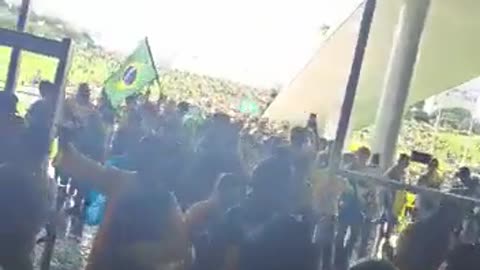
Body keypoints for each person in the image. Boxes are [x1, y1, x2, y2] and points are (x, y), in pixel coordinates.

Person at [54, 134, 190, 270]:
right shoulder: (125, 182)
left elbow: (179, 248)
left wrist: (137, 253)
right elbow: (85, 167)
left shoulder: (163, 200)